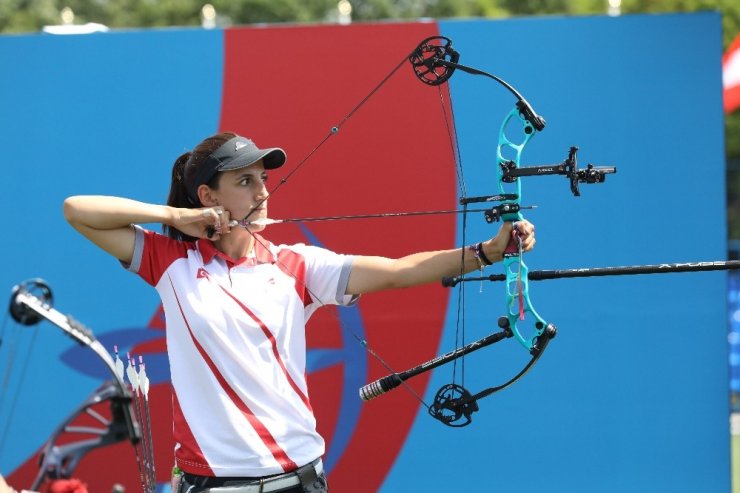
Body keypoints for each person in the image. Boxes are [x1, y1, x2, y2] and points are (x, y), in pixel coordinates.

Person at [63, 132, 535, 493]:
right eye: (244, 181)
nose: (262, 193)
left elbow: (398, 270)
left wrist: (488, 252)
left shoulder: (297, 264)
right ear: (208, 197)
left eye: (263, 179)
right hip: (213, 483)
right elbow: (76, 210)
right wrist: (173, 218)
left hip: (300, 478)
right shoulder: (171, 262)